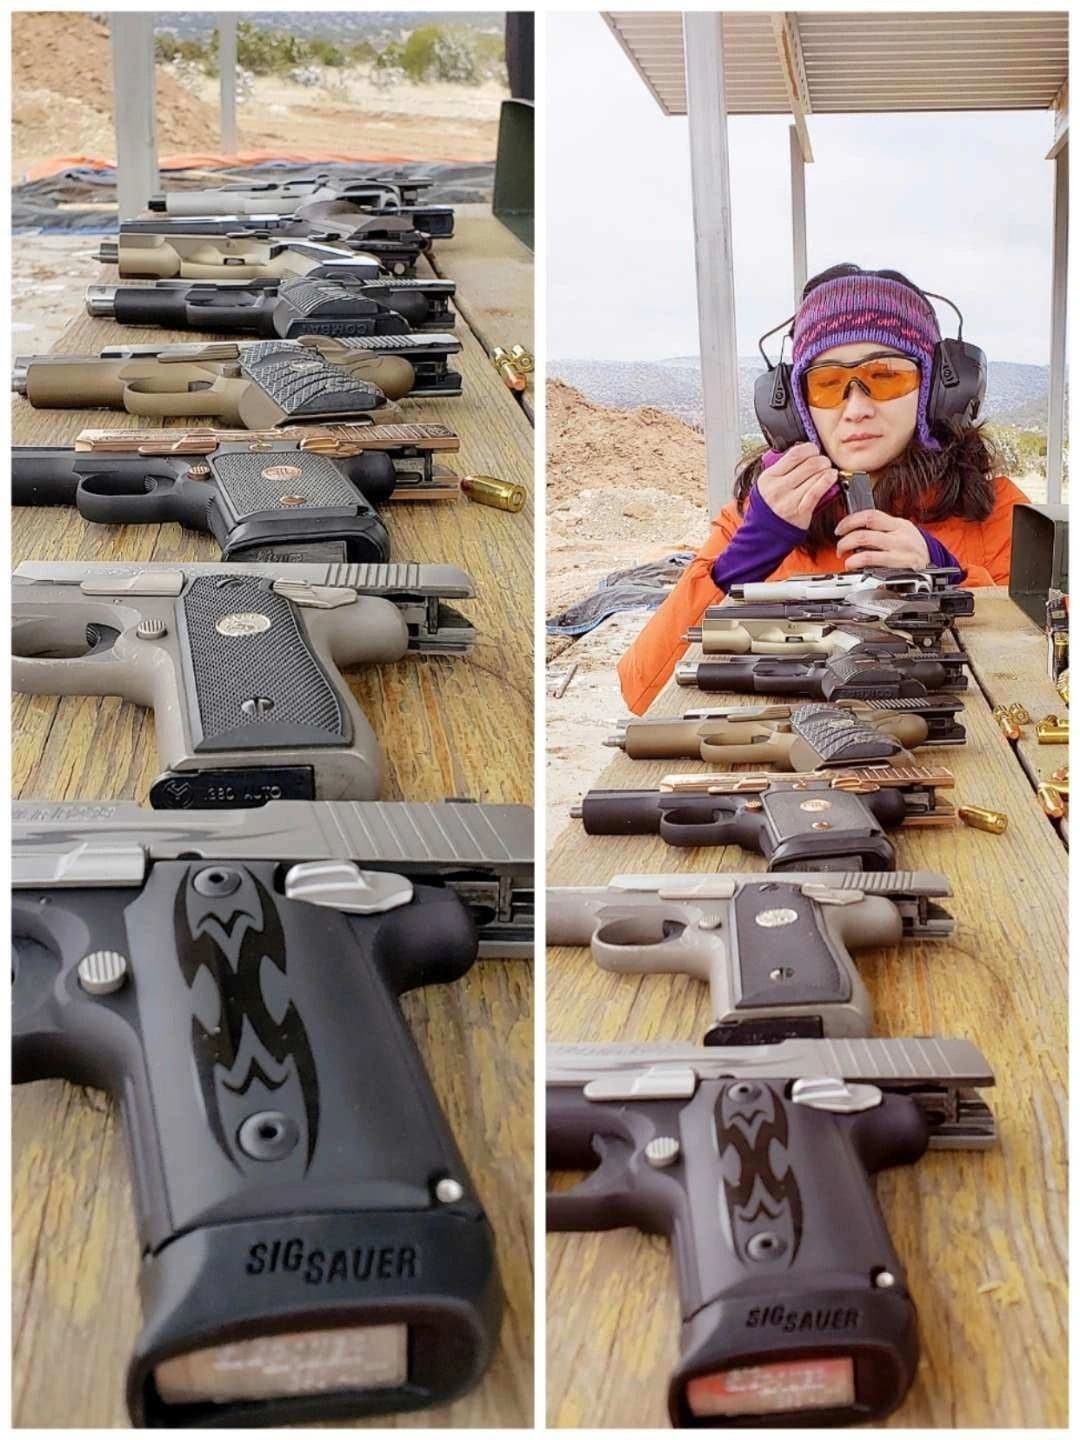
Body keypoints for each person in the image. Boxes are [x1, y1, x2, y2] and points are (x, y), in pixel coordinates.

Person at [618, 263, 1030, 713]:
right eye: (828, 384)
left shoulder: (997, 512)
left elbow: (1038, 684)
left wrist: (947, 578)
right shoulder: (753, 521)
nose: (856, 409)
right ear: (794, 406)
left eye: (885, 377)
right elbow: (643, 691)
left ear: (936, 391)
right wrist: (746, 561)